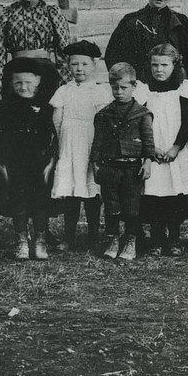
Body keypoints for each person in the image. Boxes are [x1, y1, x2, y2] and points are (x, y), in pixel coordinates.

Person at [0, 57, 59, 260]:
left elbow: (51, 136)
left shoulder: (45, 107)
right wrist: (0, 162)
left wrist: (49, 161)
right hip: (14, 162)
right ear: (11, 83)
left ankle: (40, 240)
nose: (23, 87)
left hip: (39, 161)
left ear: (38, 82)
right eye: (18, 83)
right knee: (18, 201)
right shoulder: (4, 107)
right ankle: (21, 240)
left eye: (28, 83)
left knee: (40, 201)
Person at [135, 43, 188, 256]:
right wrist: (150, 149)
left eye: (164, 65)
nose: (159, 70)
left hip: (176, 151)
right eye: (155, 65)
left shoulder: (183, 89)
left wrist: (176, 147)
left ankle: (174, 237)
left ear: (175, 65)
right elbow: (139, 122)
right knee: (154, 194)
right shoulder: (144, 90)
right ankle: (156, 237)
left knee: (174, 195)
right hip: (152, 151)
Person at [90, 62, 155, 261]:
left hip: (132, 168)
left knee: (131, 206)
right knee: (111, 204)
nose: (119, 92)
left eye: (124, 88)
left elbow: (148, 141)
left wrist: (148, 161)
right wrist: (95, 163)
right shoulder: (104, 114)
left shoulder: (142, 114)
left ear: (134, 87)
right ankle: (112, 239)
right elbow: (98, 141)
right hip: (110, 166)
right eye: (115, 87)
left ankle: (131, 240)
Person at [49, 40, 109, 250]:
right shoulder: (64, 91)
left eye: (84, 64)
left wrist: (99, 148)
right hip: (69, 144)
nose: (79, 69)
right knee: (71, 190)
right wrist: (62, 143)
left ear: (93, 65)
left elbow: (103, 120)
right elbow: (57, 119)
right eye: (74, 64)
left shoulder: (99, 91)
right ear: (68, 65)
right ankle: (69, 236)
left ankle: (93, 236)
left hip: (91, 142)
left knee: (92, 191)